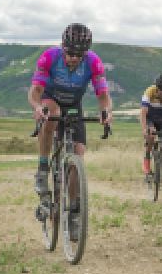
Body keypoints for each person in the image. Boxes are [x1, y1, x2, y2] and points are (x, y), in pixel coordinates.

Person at [28, 23, 112, 239]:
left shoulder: (94, 62)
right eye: (70, 52)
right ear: (63, 47)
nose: (74, 58)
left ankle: (74, 212)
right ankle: (43, 167)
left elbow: (103, 95)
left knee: (78, 153)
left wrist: (105, 112)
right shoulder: (49, 57)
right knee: (52, 112)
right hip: (50, 99)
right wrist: (38, 107)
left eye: (79, 54)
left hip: (74, 105)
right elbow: (35, 91)